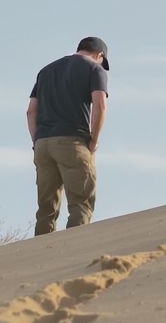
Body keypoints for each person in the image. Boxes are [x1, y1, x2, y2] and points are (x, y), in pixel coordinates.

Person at [27, 36, 110, 236]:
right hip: (73, 141)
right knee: (81, 204)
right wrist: (94, 140)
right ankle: (74, 257)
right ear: (99, 55)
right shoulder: (94, 69)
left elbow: (31, 111)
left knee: (46, 209)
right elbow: (99, 104)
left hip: (43, 144)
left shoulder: (46, 71)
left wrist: (36, 141)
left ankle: (40, 257)